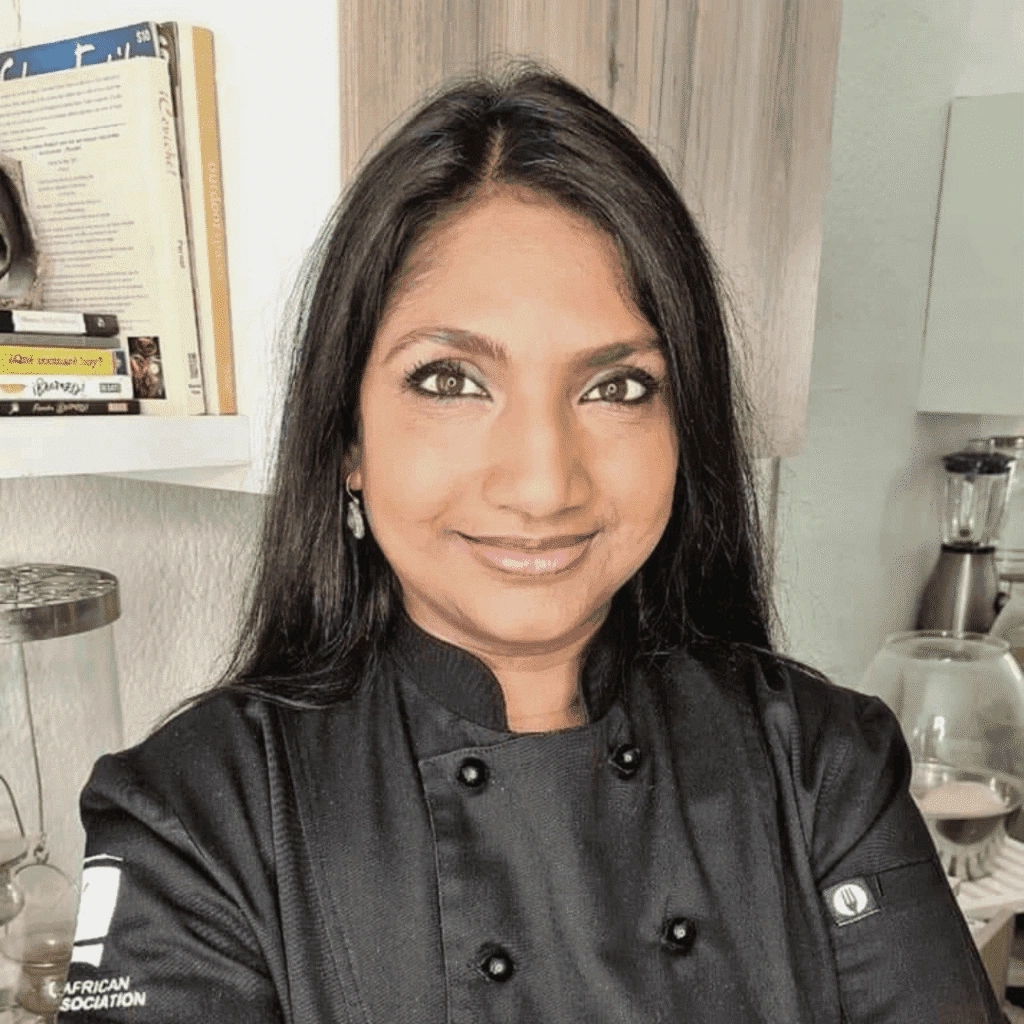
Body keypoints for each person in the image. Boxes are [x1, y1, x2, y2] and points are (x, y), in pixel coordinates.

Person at [56, 64, 1005, 1023]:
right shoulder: (194, 818)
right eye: (451, 381)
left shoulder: (822, 766)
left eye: (617, 388)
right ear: (348, 438)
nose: (545, 484)